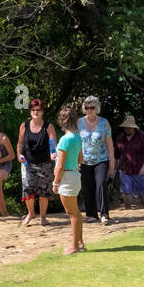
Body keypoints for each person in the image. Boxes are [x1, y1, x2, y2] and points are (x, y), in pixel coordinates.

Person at [17, 99, 57, 228]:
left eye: (38, 110)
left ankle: (43, 217)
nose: (35, 112)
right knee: (27, 188)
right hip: (28, 163)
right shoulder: (24, 125)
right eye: (33, 110)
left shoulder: (48, 126)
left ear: (42, 112)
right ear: (30, 111)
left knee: (44, 190)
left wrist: (53, 152)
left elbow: (52, 141)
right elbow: (20, 143)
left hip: (44, 163)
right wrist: (19, 154)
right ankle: (31, 213)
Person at [52, 105, 85, 254]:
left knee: (72, 213)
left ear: (62, 121)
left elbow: (60, 166)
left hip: (66, 177)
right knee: (76, 212)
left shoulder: (65, 139)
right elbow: (80, 159)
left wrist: (55, 182)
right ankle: (79, 242)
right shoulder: (78, 138)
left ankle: (74, 246)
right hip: (75, 176)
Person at [77, 95, 115, 225]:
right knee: (87, 187)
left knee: (101, 184)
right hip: (84, 160)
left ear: (97, 108)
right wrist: (76, 160)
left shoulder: (105, 122)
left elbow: (109, 143)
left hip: (102, 159)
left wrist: (112, 161)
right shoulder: (79, 122)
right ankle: (91, 214)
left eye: (92, 107)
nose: (89, 110)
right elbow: (76, 142)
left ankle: (104, 214)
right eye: (87, 107)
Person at [114, 114, 144, 209]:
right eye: (126, 127)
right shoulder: (120, 138)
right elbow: (116, 156)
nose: (128, 129)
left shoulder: (142, 136)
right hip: (125, 170)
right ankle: (128, 210)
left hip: (139, 169)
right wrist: (114, 169)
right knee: (126, 192)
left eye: (130, 127)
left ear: (134, 127)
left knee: (142, 194)